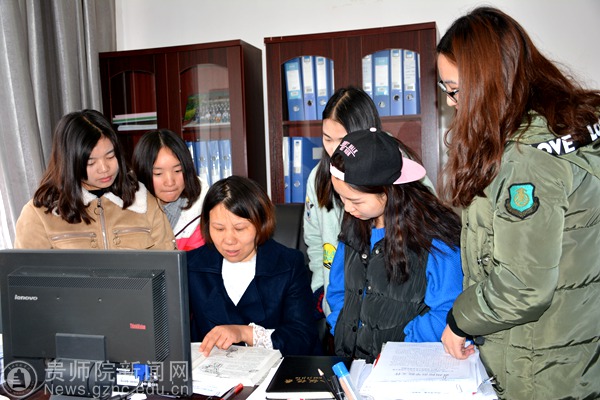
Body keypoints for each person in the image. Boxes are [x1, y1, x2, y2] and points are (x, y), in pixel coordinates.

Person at [437, 7, 600, 399]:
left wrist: (459, 321)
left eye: (455, 90)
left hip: (540, 367)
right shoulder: (567, 129)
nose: (451, 103)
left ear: (488, 83)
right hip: (573, 353)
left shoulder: (528, 159)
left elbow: (523, 286)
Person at [326, 128, 463, 361]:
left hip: (407, 364)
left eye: (355, 200)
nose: (347, 208)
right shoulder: (355, 224)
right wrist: (341, 325)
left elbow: (447, 310)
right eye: (341, 197)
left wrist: (404, 344)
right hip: (351, 361)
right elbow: (338, 290)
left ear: (388, 192)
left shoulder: (435, 239)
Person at [304, 86, 434, 318]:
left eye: (342, 140)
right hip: (341, 307)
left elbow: (431, 237)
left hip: (394, 307)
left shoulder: (400, 168)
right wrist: (321, 288)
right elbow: (314, 239)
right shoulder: (318, 176)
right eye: (327, 138)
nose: (334, 149)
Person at [187, 175, 319, 357]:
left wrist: (244, 333)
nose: (229, 240)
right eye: (219, 229)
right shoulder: (191, 265)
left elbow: (302, 339)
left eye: (240, 229)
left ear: (261, 223)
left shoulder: (288, 264)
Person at [14, 109, 175, 250]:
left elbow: (168, 263)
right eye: (91, 162)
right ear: (70, 163)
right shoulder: (39, 213)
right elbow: (26, 273)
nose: (104, 168)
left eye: (110, 156)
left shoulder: (142, 200)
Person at [132, 129, 208, 250]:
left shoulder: (204, 206)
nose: (170, 182)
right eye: (158, 173)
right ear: (142, 174)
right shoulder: (124, 209)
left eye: (178, 171)